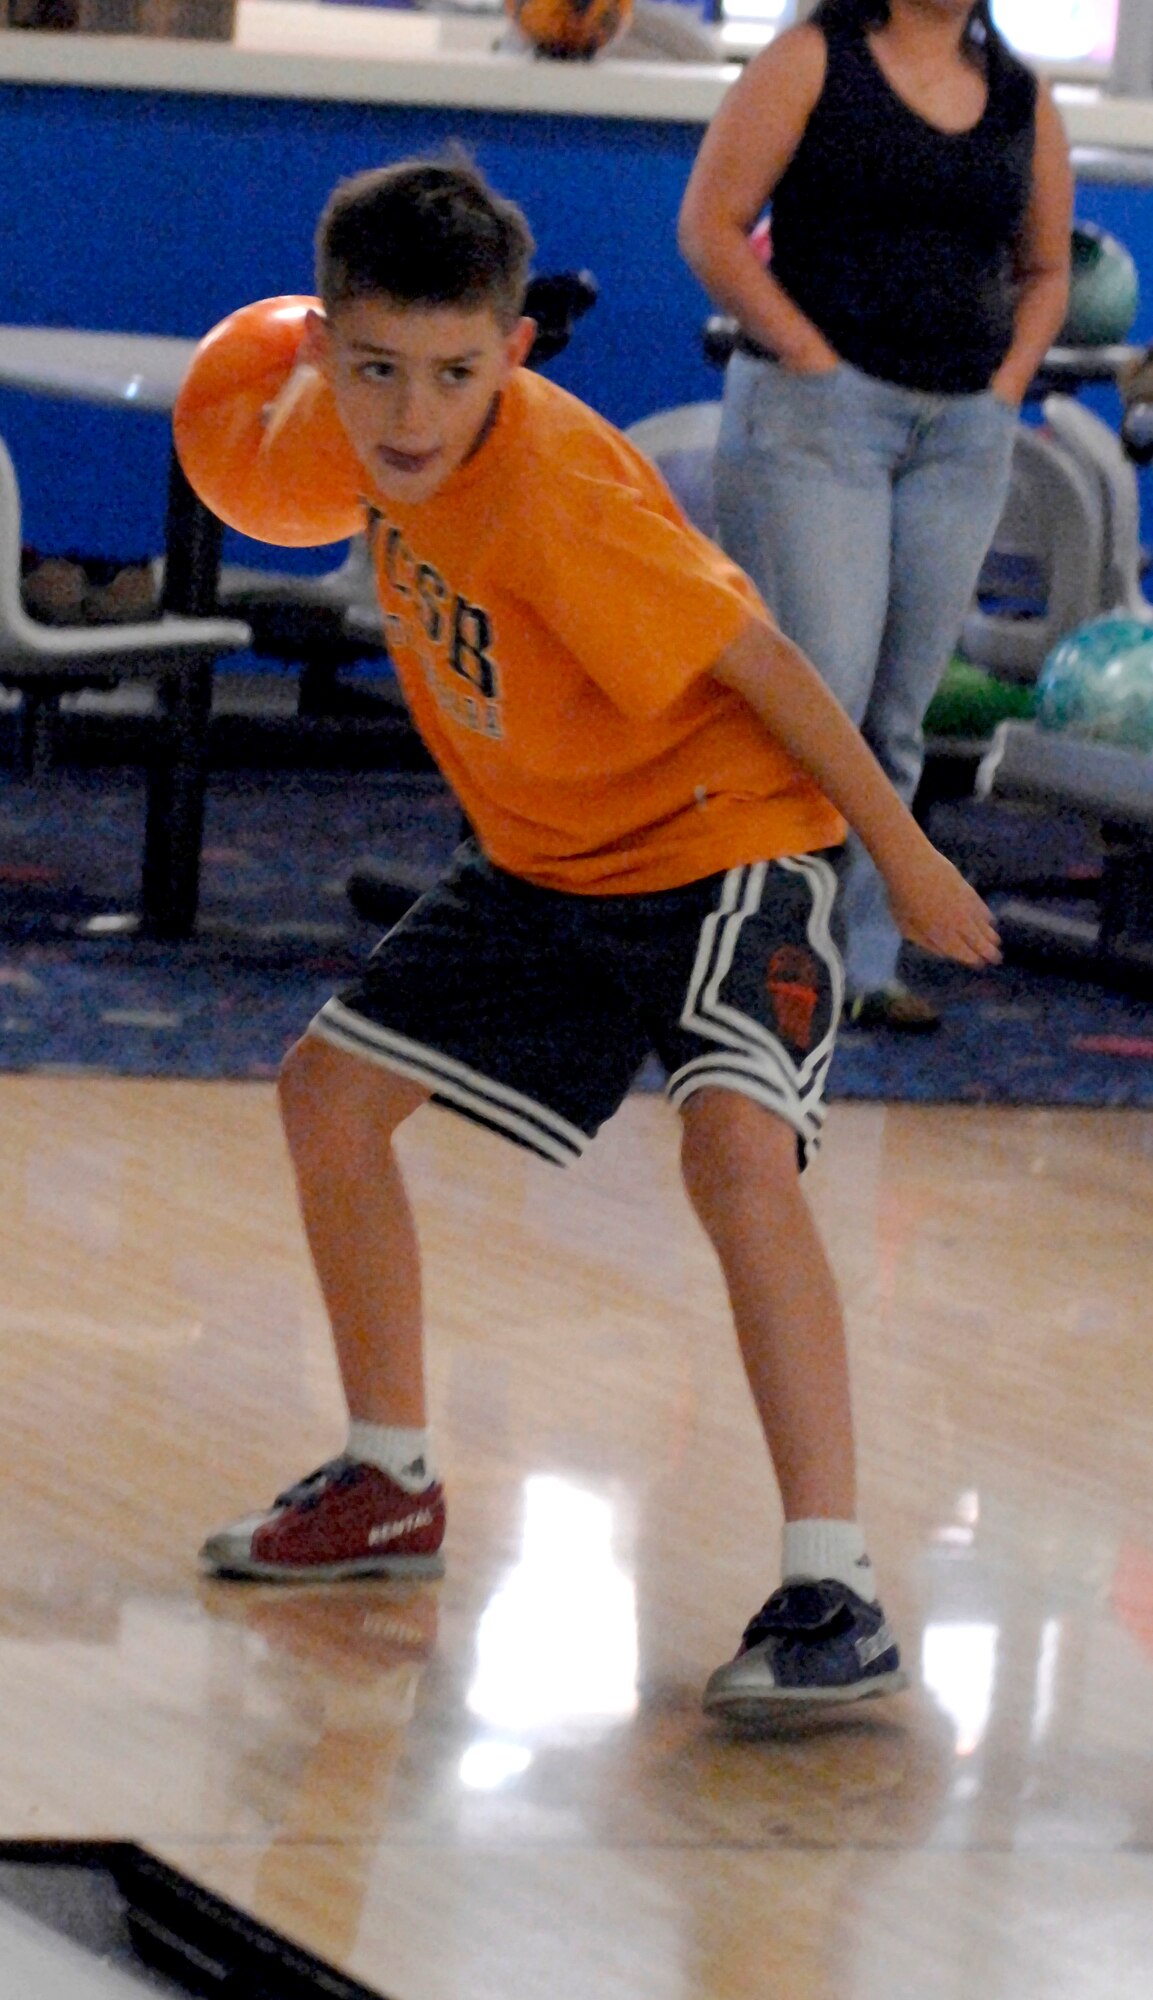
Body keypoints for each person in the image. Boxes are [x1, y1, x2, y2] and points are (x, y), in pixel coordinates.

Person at [194, 158, 1001, 1717]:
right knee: (328, 1096)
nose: (411, 416)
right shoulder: (344, 430)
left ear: (509, 356)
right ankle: (391, 1481)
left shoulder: (554, 488)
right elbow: (292, 408)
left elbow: (760, 660)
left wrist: (899, 853)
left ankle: (835, 1586)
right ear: (323, 350)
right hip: (549, 859)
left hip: (725, 844)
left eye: (453, 374)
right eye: (377, 371)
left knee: (732, 1159)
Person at [678, 0, 1072, 1030]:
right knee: (818, 694)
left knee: (896, 710)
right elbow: (710, 226)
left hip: (960, 429)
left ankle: (860, 960)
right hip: (818, 421)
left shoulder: (1021, 95)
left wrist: (1007, 385)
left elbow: (1045, 267)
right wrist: (808, 359)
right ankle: (751, 945)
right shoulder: (810, 58)